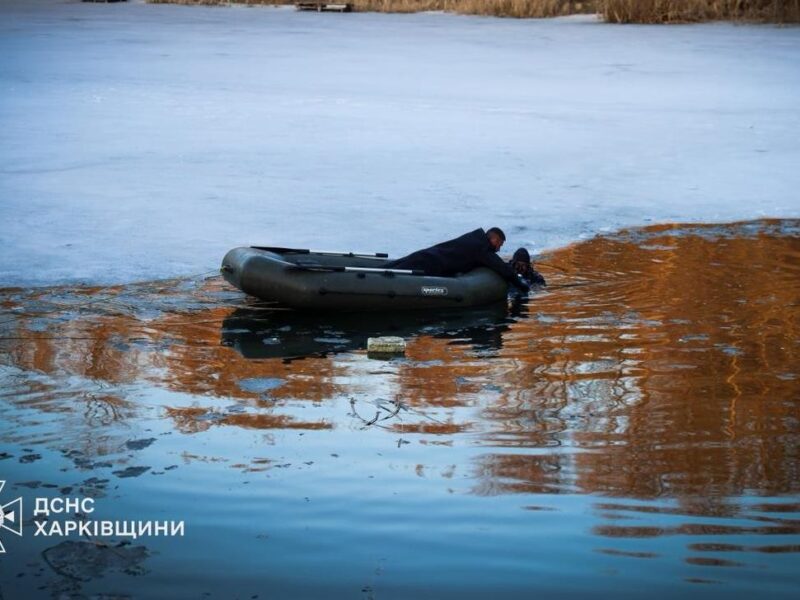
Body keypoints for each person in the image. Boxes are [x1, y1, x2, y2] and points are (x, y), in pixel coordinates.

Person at [383, 227, 530, 292]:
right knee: (388, 275)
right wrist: (521, 285)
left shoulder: (475, 239)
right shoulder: (481, 248)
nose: (498, 249)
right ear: (493, 239)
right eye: (499, 244)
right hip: (429, 263)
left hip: (426, 255)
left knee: (390, 267)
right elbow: (501, 268)